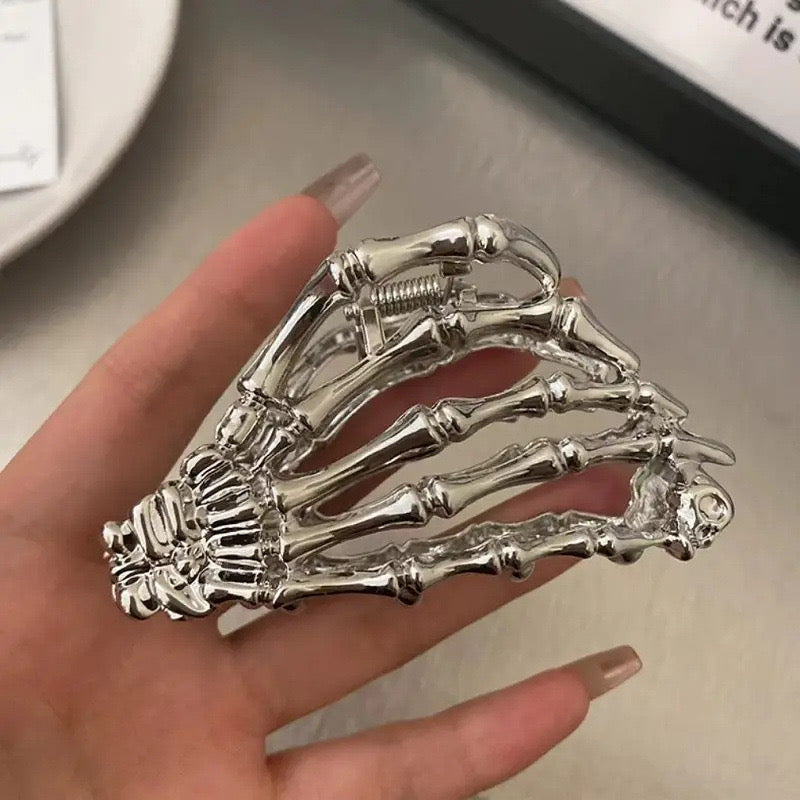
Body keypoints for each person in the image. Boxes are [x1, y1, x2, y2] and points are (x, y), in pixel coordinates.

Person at [0, 154, 641, 798]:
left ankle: (593, 401)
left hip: (256, 493)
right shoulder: (233, 558)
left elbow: (337, 300)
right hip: (265, 537)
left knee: (406, 420)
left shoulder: (235, 467)